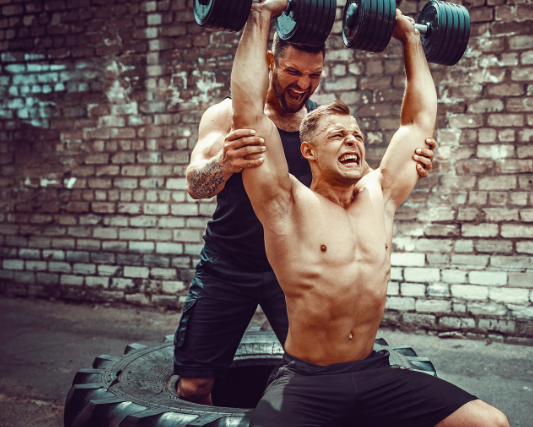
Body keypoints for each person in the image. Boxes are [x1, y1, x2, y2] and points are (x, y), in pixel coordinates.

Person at [232, 0, 510, 425]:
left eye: (358, 135)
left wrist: (411, 36)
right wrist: (261, 13)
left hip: (373, 372)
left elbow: (418, 122)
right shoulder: (286, 204)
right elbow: (249, 110)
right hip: (308, 380)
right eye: (338, 135)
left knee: (488, 422)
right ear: (307, 150)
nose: (352, 142)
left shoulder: (381, 193)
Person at [174, 29, 438, 406]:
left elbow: (367, 183)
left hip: (295, 270)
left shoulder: (318, 126)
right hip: (229, 265)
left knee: (326, 372)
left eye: (314, 75)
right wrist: (225, 162)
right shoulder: (228, 115)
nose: (303, 84)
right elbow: (196, 185)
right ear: (270, 62)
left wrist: (413, 163)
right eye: (293, 71)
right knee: (194, 386)